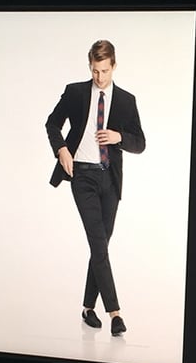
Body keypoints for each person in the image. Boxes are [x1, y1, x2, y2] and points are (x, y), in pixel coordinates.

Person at [45, 40, 145, 336]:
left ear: (114, 66)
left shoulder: (126, 100)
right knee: (99, 245)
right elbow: (52, 124)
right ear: (89, 66)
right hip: (83, 177)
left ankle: (88, 308)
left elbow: (140, 143)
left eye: (104, 70)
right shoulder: (75, 92)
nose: (99, 77)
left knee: (100, 247)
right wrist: (61, 149)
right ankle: (115, 314)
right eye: (94, 70)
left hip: (110, 180)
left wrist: (118, 137)